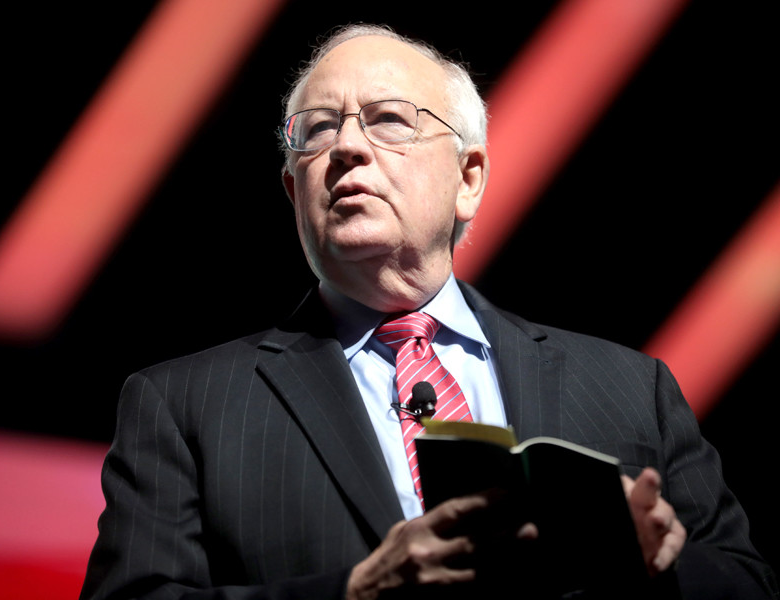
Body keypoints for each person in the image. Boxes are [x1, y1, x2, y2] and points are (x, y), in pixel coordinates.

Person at [80, 24, 778, 600]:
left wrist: (645, 569)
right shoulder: (183, 406)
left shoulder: (632, 388)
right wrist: (356, 592)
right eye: (317, 130)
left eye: (388, 120)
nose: (346, 147)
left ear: (468, 178)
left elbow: (747, 583)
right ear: (294, 191)